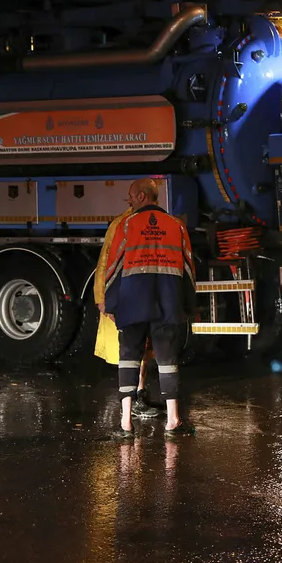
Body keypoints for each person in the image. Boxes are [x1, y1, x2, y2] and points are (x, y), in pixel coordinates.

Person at [104, 177, 196, 438]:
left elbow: (114, 267)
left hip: (133, 302)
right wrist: (189, 305)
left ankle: (125, 423)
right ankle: (173, 420)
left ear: (142, 196)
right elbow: (189, 268)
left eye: (131, 197)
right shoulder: (176, 226)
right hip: (167, 302)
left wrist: (111, 303)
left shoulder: (127, 225)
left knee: (129, 356)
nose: (129, 202)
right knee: (168, 360)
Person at [94, 206, 161, 419]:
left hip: (135, 297)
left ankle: (135, 399)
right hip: (131, 298)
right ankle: (133, 401)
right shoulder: (126, 224)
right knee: (132, 352)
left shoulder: (127, 223)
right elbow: (107, 263)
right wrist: (103, 299)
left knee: (138, 351)